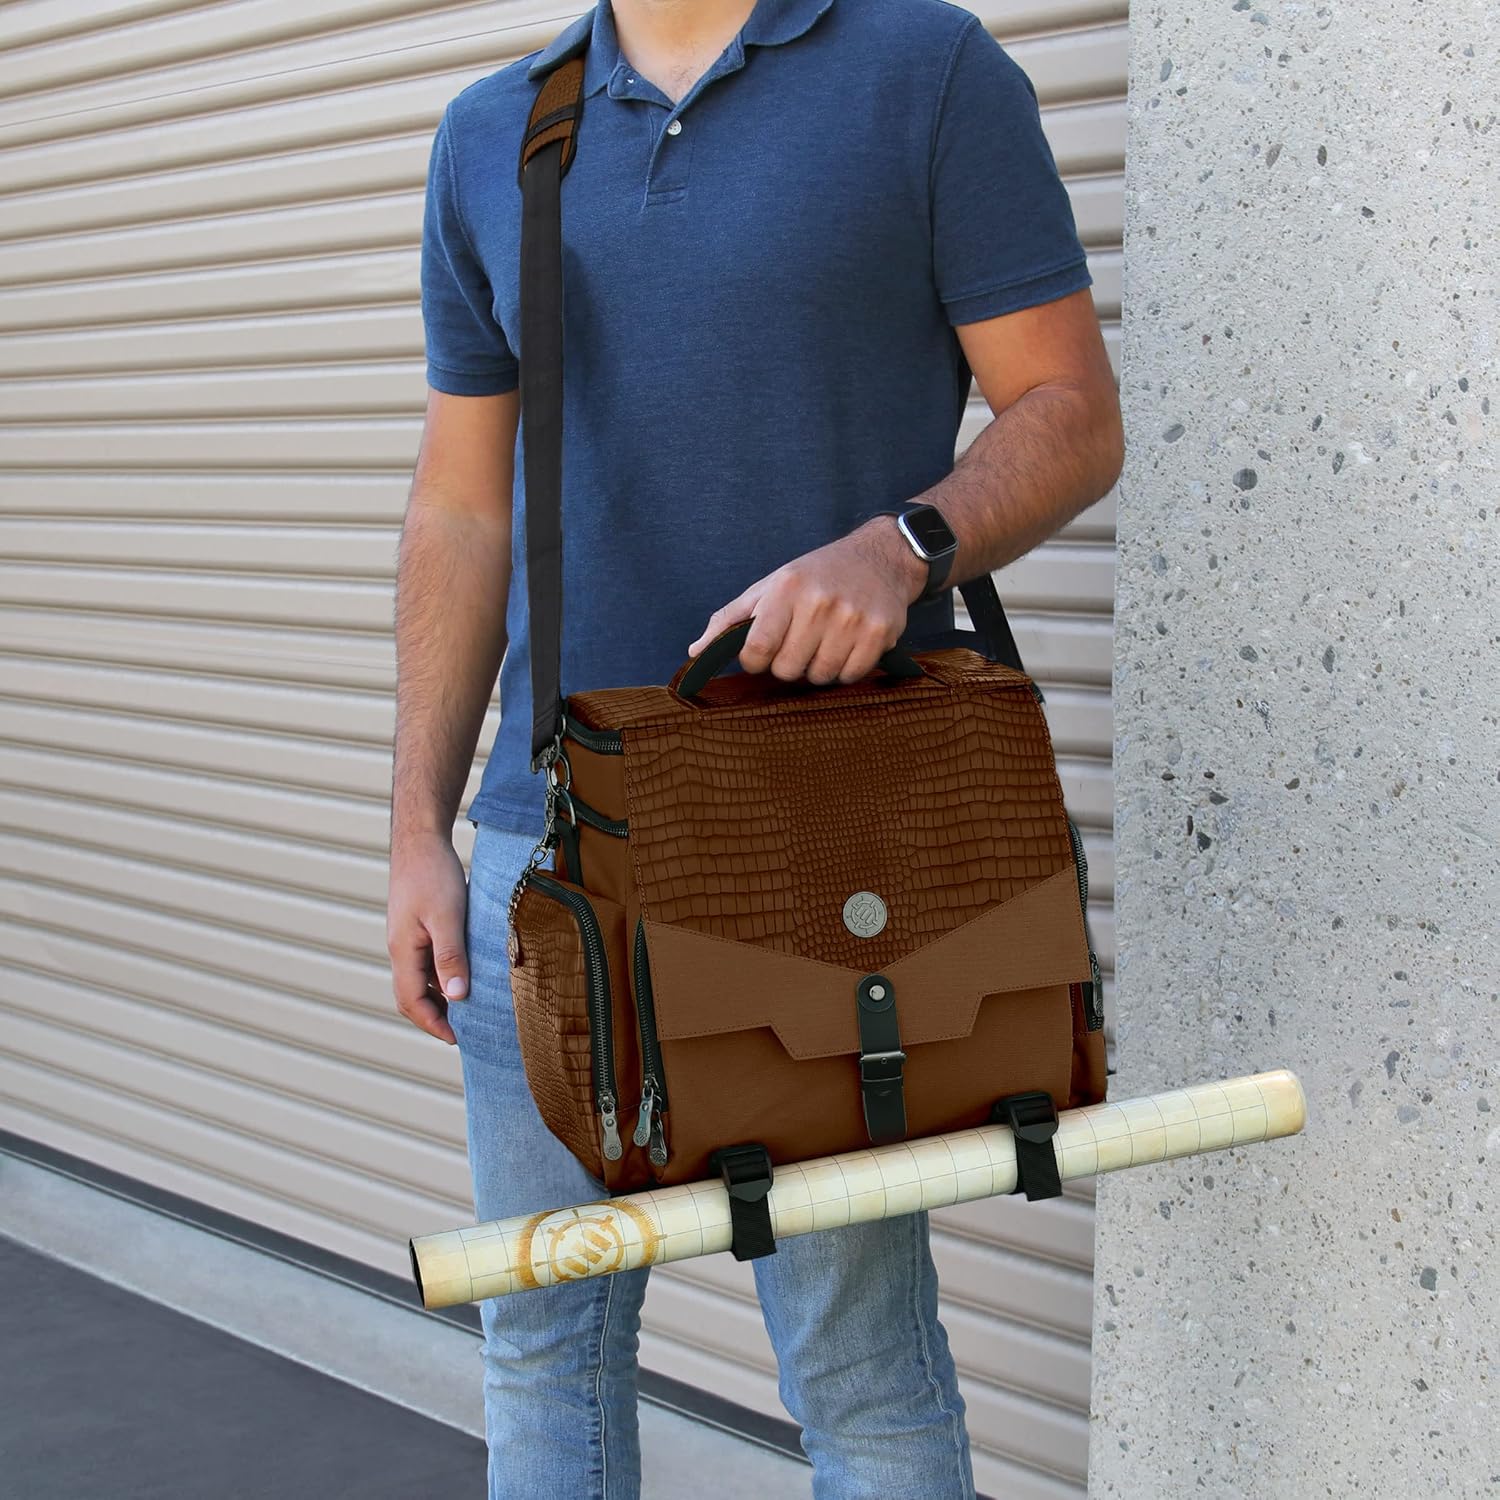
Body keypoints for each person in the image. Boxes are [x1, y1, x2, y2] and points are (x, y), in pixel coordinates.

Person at [386, 0, 1123, 1495]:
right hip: (548, 849)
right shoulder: (495, 133)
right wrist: (419, 828)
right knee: (542, 1344)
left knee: (859, 1376)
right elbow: (462, 506)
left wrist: (902, 548)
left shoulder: (924, 74)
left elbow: (1071, 412)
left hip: (819, 844)